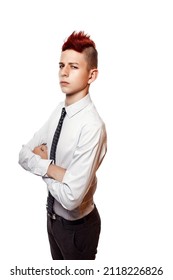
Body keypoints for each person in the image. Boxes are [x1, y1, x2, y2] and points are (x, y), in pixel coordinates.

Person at [19, 31, 107, 260]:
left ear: (91, 75)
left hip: (78, 229)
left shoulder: (92, 126)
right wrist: (58, 171)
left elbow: (71, 198)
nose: (64, 72)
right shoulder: (59, 110)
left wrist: (42, 166)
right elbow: (22, 154)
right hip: (52, 219)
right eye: (61, 65)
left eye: (74, 67)